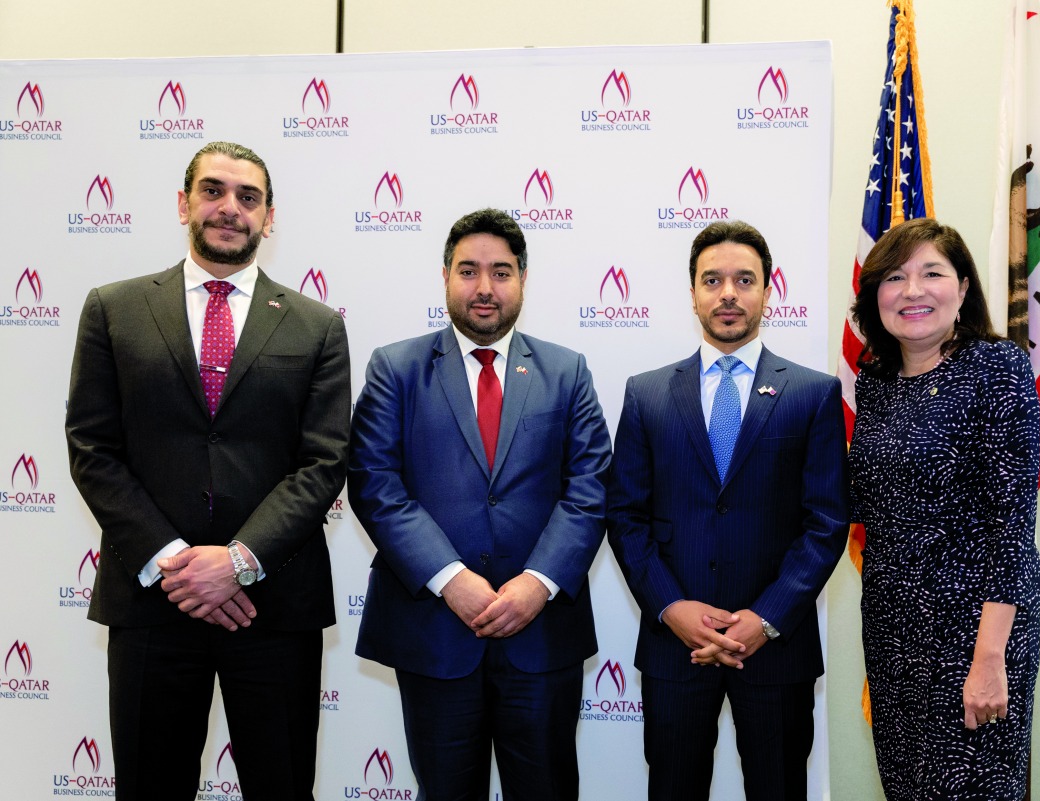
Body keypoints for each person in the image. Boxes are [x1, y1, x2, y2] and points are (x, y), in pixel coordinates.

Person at [65, 141, 351, 800]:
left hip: (273, 606)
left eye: (248, 197)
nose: (230, 208)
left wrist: (239, 559)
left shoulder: (315, 326)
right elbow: (91, 447)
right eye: (214, 191)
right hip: (152, 604)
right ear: (183, 202)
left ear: (269, 217)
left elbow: (324, 459)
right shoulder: (114, 308)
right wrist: (176, 561)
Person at [347, 208, 610, 801]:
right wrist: (450, 578)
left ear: (522, 280)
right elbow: (373, 482)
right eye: (469, 271)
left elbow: (590, 485)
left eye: (501, 272)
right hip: (434, 633)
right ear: (444, 276)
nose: (485, 287)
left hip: (541, 636)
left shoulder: (567, 372)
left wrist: (538, 582)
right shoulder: (396, 368)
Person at [606, 220, 849, 801]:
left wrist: (763, 619)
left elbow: (827, 523)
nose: (728, 294)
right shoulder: (646, 393)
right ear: (691, 292)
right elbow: (625, 515)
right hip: (675, 647)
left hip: (775, 649)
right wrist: (671, 607)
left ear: (770, 290)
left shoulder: (813, 394)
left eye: (745, 279)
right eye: (712, 280)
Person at [848, 217, 1040, 799]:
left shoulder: (998, 370)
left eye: (932, 273)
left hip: (972, 635)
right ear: (873, 296)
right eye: (894, 277)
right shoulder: (875, 381)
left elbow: (1012, 531)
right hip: (892, 633)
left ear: (962, 289)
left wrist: (988, 659)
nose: (912, 291)